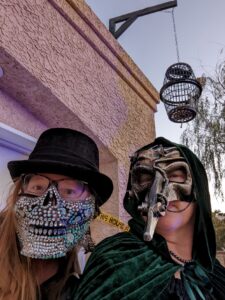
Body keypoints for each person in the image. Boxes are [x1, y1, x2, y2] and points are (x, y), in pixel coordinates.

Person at [75, 137, 225, 299]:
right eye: (145, 178)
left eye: (175, 175)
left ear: (198, 189)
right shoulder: (116, 259)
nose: (157, 189)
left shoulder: (216, 274)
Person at [0, 127, 113, 300]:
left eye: (69, 191)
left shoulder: (75, 291)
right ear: (19, 194)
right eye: (38, 187)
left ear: (91, 211)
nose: (49, 205)